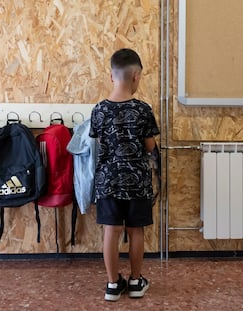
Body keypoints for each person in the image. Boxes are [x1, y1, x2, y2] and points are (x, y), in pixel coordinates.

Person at [89, 48, 160, 302]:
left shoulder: (98, 110)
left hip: (108, 181)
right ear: (136, 76)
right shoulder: (143, 110)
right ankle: (135, 281)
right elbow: (150, 146)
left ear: (111, 76)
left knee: (111, 230)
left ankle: (111, 284)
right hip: (137, 182)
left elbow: (97, 144)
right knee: (136, 230)